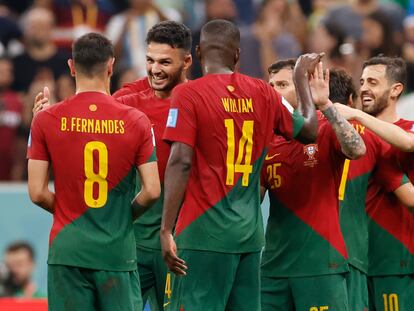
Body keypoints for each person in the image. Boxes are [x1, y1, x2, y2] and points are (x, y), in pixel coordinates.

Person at [161, 19, 323, 310]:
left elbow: (181, 161)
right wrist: (300, 77)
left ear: (198, 53)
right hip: (248, 237)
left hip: (203, 233)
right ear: (237, 55)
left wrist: (165, 229)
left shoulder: (188, 94)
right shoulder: (263, 93)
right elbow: (310, 130)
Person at [27, 33, 160, 311]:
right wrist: (122, 216)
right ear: (111, 66)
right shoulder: (136, 121)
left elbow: (37, 193)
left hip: (68, 249)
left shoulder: (46, 120)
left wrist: (69, 211)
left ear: (72, 67)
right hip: (116, 253)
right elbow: (152, 191)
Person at [261, 61, 366, 310]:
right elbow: (252, 199)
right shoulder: (264, 138)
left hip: (320, 265)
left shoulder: (324, 126)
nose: (274, 91)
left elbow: (357, 149)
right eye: (271, 85)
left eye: (283, 84)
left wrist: (326, 105)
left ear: (303, 90)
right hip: (273, 268)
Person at [116, 21, 192, 310]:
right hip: (135, 237)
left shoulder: (200, 101)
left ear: (186, 61)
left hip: (181, 239)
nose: (155, 69)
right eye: (150, 61)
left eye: (164, 62)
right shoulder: (127, 100)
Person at [329, 68, 414, 310]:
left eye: (373, 82)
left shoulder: (403, 131)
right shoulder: (356, 137)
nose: (365, 87)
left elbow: (408, 142)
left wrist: (356, 115)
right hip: (362, 258)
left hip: (396, 256)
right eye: (362, 81)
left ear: (396, 89)